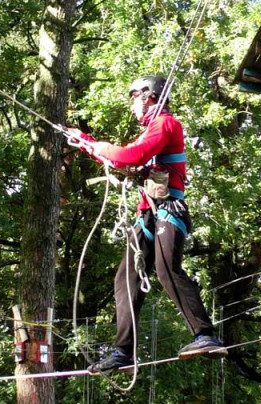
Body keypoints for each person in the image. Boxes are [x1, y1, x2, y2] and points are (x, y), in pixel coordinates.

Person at [68, 75, 227, 375]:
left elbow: (132, 156)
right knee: (125, 279)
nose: (133, 106)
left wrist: (93, 143)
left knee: (167, 270)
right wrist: (84, 141)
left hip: (168, 210)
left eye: (134, 98)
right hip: (148, 215)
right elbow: (124, 161)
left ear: (148, 95)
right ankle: (123, 352)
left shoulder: (166, 124)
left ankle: (205, 335)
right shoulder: (151, 131)